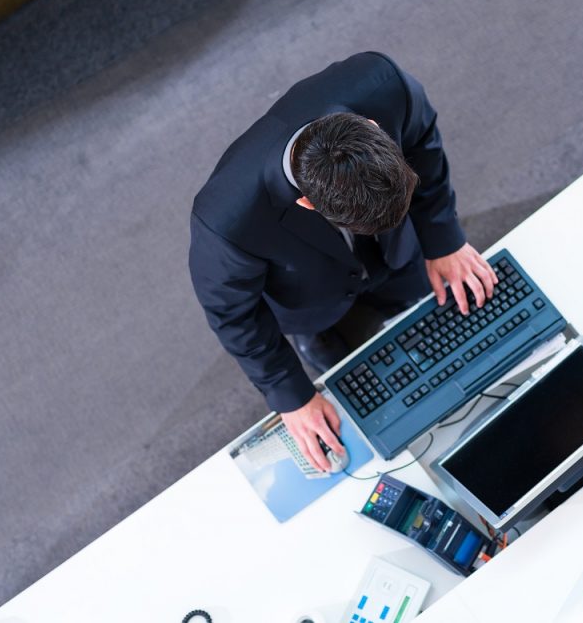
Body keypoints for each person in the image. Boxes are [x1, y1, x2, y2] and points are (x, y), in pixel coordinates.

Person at [189, 52, 497, 472]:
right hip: (310, 304)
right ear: (307, 203)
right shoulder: (225, 219)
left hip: (397, 258)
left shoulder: (383, 84)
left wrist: (442, 241)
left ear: (374, 129)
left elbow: (423, 142)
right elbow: (231, 313)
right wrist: (291, 395)